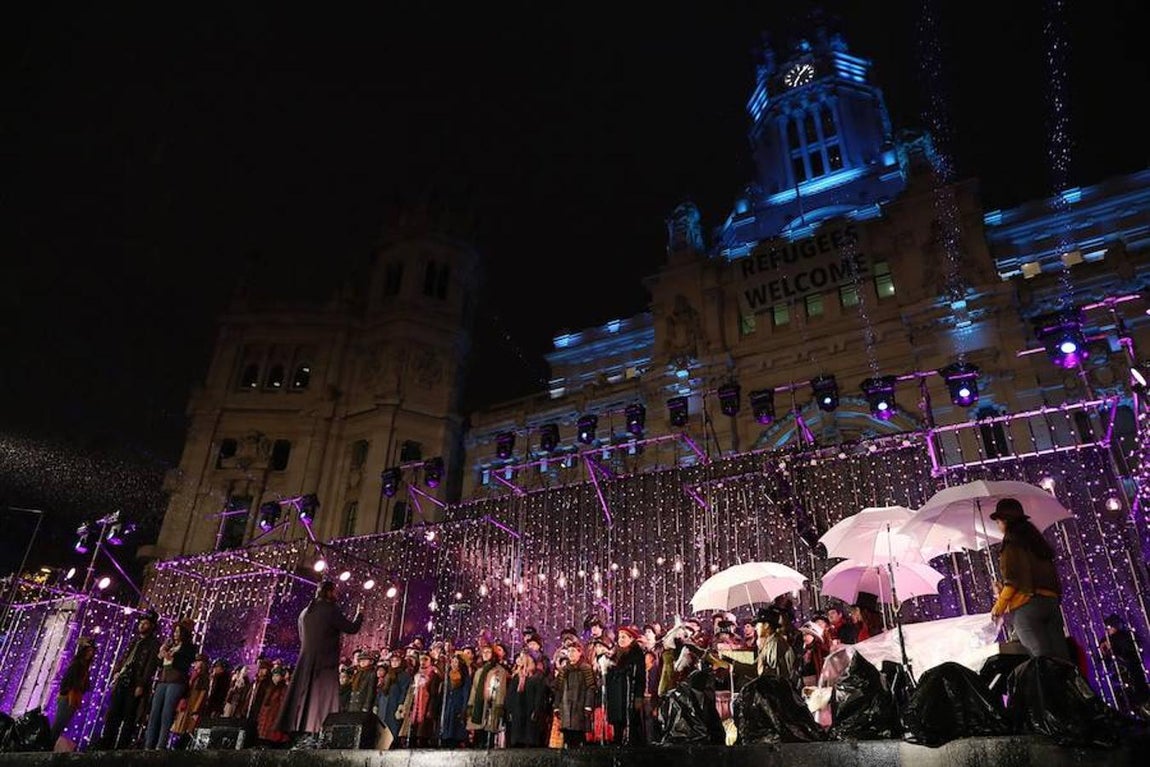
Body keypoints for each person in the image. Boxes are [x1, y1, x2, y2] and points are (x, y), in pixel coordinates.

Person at [275, 579, 364, 738]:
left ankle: (297, 730)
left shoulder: (305, 612)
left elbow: (302, 636)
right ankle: (316, 732)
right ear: (329, 592)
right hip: (324, 662)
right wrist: (360, 615)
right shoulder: (331, 610)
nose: (336, 594)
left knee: (303, 696)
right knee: (321, 700)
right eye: (334, 591)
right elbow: (351, 628)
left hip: (305, 660)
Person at [989, 497, 1069, 660]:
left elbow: (1013, 581)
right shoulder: (1036, 542)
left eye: (998, 522)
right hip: (1050, 603)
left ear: (1005, 521)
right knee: (1061, 658)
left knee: (1041, 659)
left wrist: (999, 606)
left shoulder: (1011, 544)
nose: (998, 526)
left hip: (1027, 606)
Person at [98, 608, 161, 749]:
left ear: (152, 626)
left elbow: (150, 666)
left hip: (135, 682)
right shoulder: (135, 641)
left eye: (145, 623)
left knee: (129, 716)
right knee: (114, 712)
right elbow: (125, 657)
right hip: (123, 678)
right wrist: (117, 671)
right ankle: (106, 743)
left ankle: (121, 746)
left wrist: (141, 684)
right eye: (141, 623)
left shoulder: (153, 644)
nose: (142, 625)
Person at [144, 618, 197, 749]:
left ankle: (161, 745)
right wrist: (160, 655)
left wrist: (172, 658)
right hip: (163, 680)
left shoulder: (189, 648)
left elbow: (185, 665)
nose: (175, 634)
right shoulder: (170, 646)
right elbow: (159, 664)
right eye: (175, 632)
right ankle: (148, 744)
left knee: (167, 712)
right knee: (154, 712)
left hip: (176, 681)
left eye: (178, 632)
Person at [1100, 613, 1150, 717]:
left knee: (1138, 693)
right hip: (1122, 674)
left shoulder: (1122, 637)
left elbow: (1129, 651)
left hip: (1130, 672)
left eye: (1109, 627)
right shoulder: (1110, 639)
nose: (1108, 630)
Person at [51, 637, 96, 746]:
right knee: (59, 724)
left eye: (92, 652)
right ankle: (47, 745)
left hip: (73, 697)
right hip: (67, 697)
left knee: (61, 724)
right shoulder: (77, 664)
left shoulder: (84, 667)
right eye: (88, 651)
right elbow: (67, 681)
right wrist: (67, 691)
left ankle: (49, 744)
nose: (90, 654)